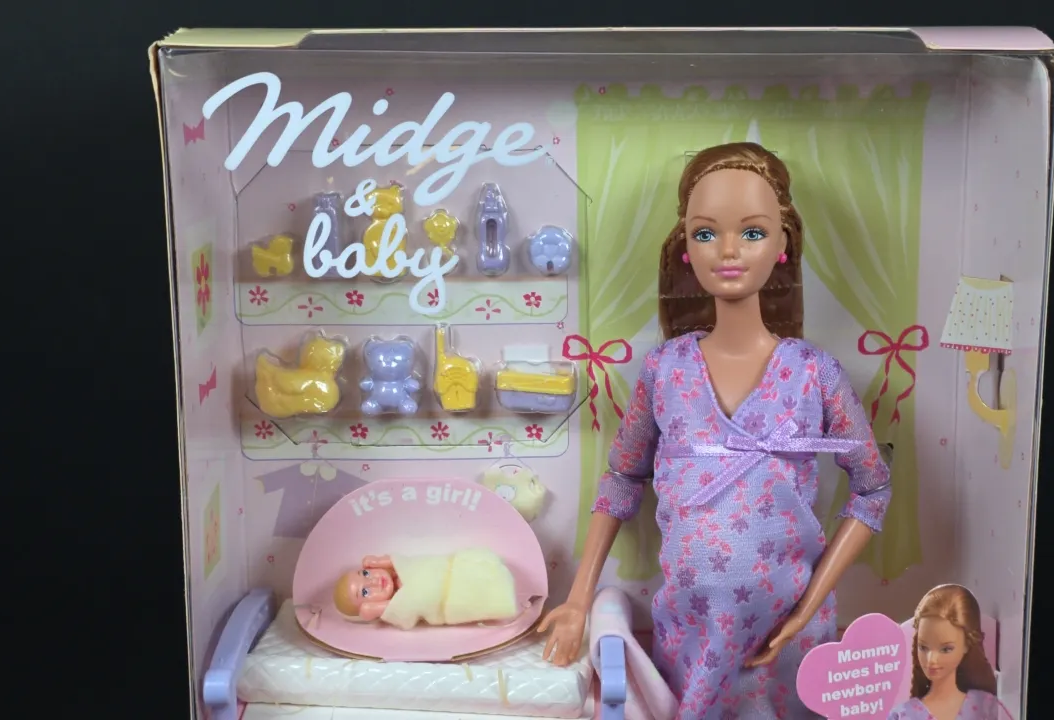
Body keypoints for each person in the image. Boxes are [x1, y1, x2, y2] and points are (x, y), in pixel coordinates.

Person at [538, 142, 891, 719]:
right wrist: (579, 599)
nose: (728, 251)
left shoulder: (813, 373)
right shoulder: (666, 370)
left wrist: (808, 606)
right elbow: (622, 479)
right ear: (685, 247)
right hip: (693, 633)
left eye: (752, 233)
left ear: (782, 244)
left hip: (788, 633)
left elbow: (873, 488)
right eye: (706, 233)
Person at [885, 585, 1001, 720]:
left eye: (946, 649)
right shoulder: (902, 714)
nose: (931, 659)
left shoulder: (985, 705)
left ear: (967, 645)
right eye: (923, 647)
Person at [333, 548, 519, 630]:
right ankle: (497, 594)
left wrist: (381, 561)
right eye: (365, 592)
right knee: (480, 596)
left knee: (480, 566)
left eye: (365, 574)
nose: (373, 581)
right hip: (452, 599)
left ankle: (493, 572)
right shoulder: (398, 607)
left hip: (455, 566)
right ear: (367, 610)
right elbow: (407, 613)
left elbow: (416, 563)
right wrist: (378, 609)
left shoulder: (400, 568)